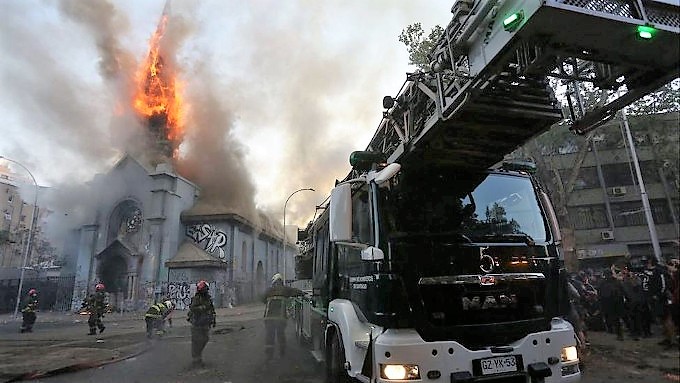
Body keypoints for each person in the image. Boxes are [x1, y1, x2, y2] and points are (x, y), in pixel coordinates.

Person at [262, 273, 304, 360]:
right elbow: (296, 292)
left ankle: (269, 355)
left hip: (268, 317)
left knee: (270, 336)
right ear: (281, 281)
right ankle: (282, 353)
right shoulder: (286, 290)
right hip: (281, 318)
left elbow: (262, 299)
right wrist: (303, 293)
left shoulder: (269, 290)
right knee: (281, 335)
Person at [187, 280, 216, 367]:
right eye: (205, 289)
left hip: (206, 323)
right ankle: (196, 360)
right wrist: (203, 308)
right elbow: (193, 308)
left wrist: (213, 320)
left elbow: (212, 310)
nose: (206, 290)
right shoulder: (197, 298)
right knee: (196, 341)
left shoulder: (208, 298)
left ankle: (198, 357)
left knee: (205, 339)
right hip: (197, 323)